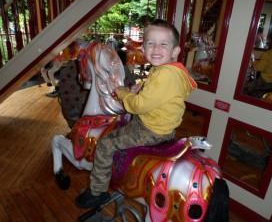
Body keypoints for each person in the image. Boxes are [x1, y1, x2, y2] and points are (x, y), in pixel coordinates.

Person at [75, 19, 197, 208]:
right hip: (164, 126)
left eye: (163, 44)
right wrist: (143, 87)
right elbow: (163, 94)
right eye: (150, 43)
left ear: (175, 51)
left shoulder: (165, 75)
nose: (156, 48)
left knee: (106, 144)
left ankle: (97, 191)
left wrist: (123, 92)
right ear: (144, 48)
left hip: (150, 130)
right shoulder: (172, 71)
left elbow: (137, 107)